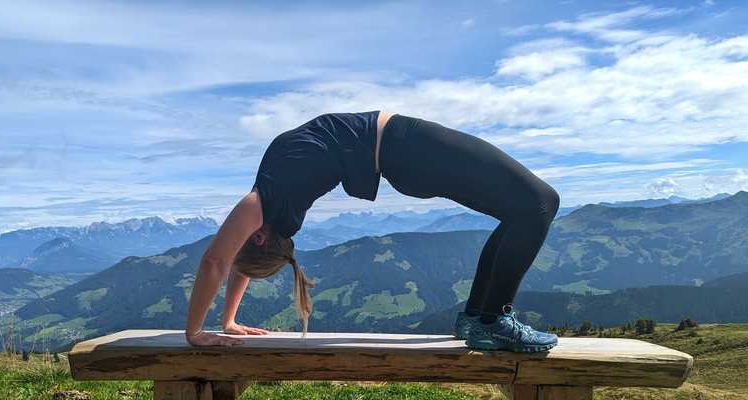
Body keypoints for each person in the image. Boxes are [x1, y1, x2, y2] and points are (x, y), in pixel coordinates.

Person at [185, 110, 560, 352]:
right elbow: (215, 262)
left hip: (402, 157)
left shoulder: (274, 213)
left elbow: (233, 262)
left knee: (525, 211)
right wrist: (194, 332)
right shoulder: (262, 203)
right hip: (405, 146)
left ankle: (478, 317)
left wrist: (228, 321)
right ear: (259, 238)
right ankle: (494, 321)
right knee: (540, 202)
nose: (231, 233)